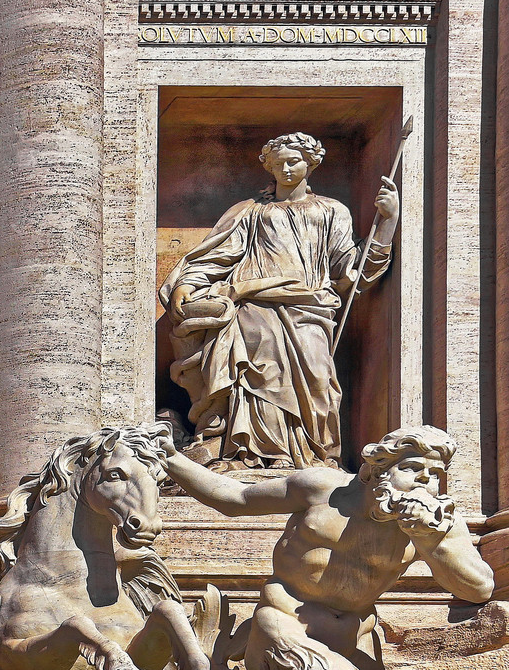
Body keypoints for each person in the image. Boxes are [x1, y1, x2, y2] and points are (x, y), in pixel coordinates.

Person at [161, 425, 492, 670]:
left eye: (434, 475)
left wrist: (428, 538)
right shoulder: (323, 490)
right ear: (372, 473)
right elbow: (236, 497)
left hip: (354, 636)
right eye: (411, 468)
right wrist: (170, 458)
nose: (425, 481)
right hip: (284, 621)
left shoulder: (437, 522)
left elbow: (478, 588)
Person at [160, 132, 397, 469]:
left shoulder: (332, 210)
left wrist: (387, 221)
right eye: (279, 163)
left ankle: (311, 456)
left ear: (310, 164)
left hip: (309, 307)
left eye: (294, 161)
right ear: (268, 167)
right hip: (253, 305)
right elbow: (220, 255)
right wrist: (189, 282)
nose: (286, 168)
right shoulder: (249, 212)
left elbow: (352, 267)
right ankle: (250, 453)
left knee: (318, 377)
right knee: (256, 375)